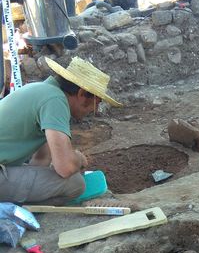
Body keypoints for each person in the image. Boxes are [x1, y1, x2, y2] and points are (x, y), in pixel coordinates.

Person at [0, 57, 121, 205]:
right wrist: (78, 159)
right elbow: (66, 167)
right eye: (97, 102)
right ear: (82, 93)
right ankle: (21, 210)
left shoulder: (44, 91)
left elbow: (40, 160)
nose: (94, 110)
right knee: (75, 184)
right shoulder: (55, 100)